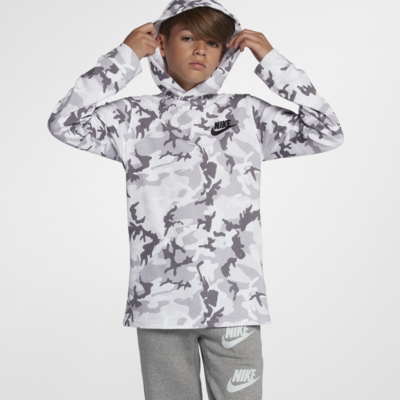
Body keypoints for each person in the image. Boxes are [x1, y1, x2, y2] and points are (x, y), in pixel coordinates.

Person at [47, 0, 344, 399]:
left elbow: (326, 132)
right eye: (188, 38)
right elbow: (64, 123)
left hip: (236, 302)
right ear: (161, 44)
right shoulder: (132, 117)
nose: (201, 50)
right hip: (160, 304)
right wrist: (123, 58)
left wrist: (272, 61)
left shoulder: (246, 114)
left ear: (226, 51)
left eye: (214, 43)